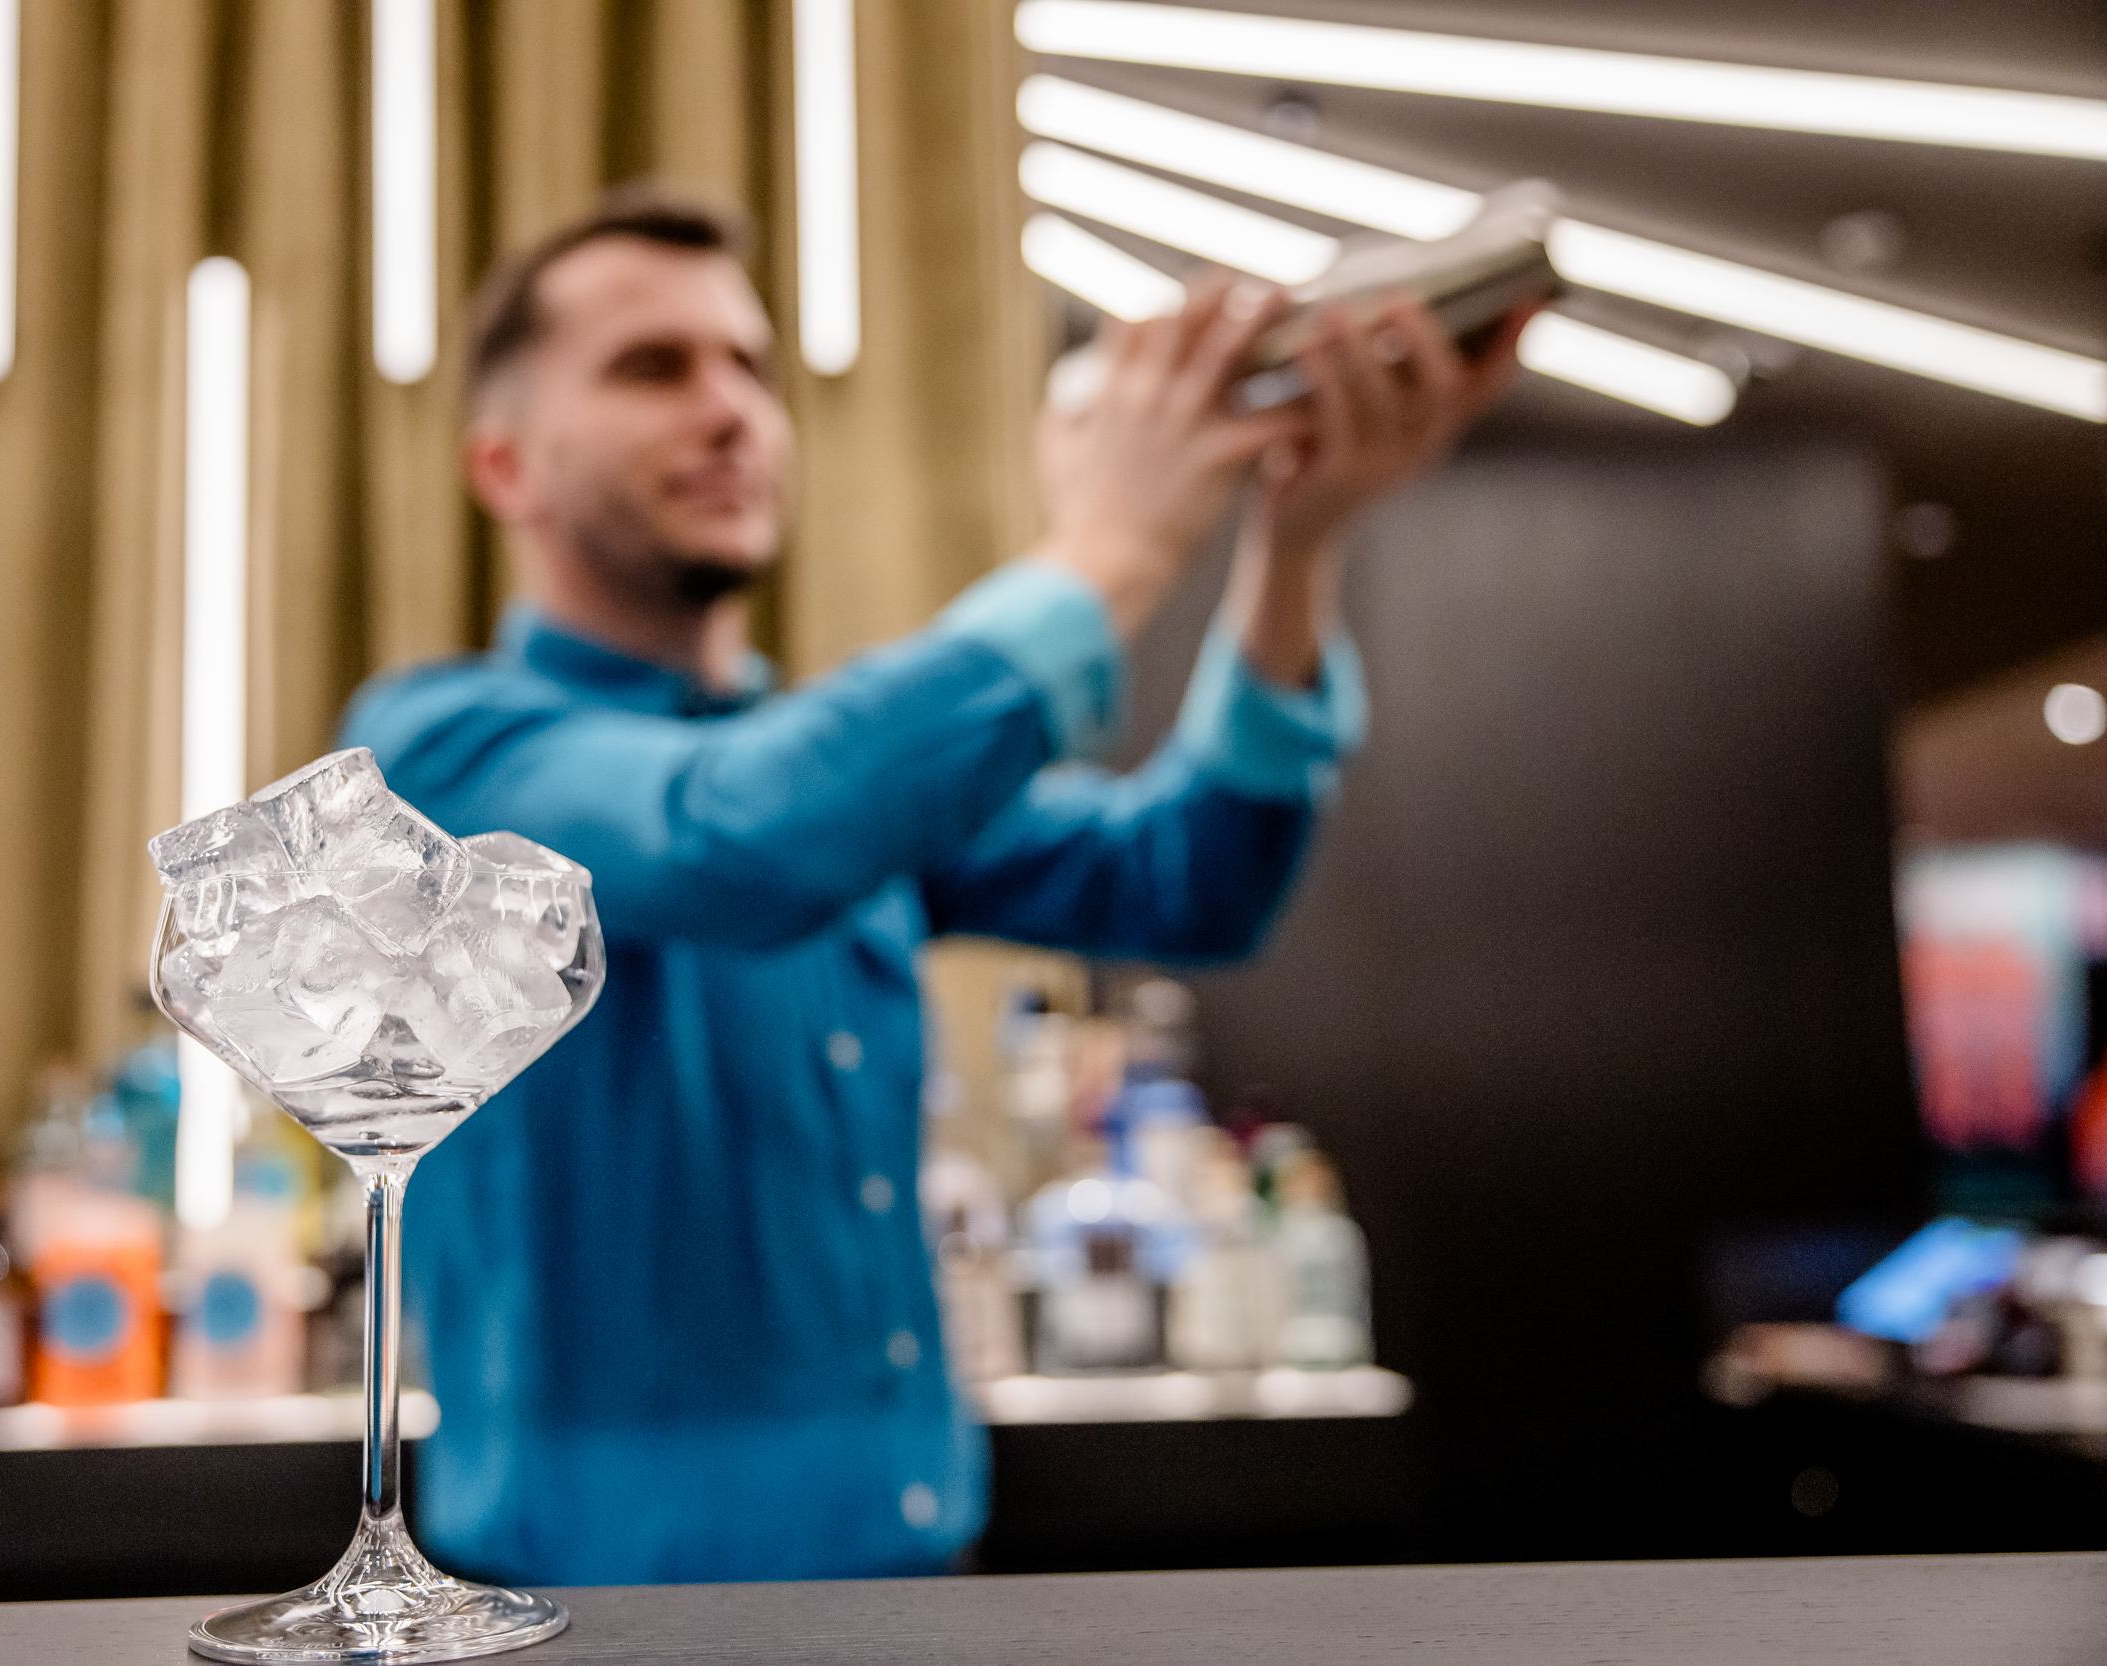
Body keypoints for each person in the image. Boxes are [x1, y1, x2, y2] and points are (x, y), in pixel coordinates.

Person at [341, 191, 1524, 1584]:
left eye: (751, 369)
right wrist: (1115, 547)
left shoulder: (844, 768)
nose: (730, 411)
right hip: (594, 1612)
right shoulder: (439, 750)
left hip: (921, 1577)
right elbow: (736, 837)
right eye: (653, 368)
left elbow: (1191, 881)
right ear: (507, 467)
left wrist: (1296, 547)